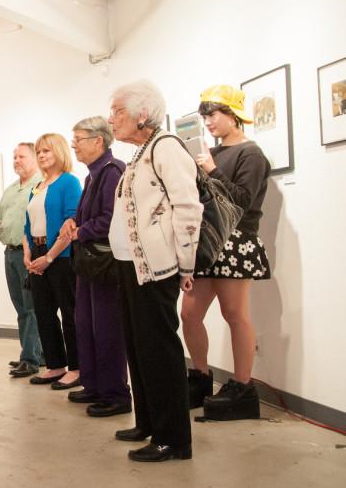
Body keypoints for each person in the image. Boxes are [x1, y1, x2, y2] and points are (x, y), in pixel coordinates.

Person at [107, 80, 202, 462]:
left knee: (159, 351)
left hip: (156, 268)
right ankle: (148, 421)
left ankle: (173, 438)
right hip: (132, 266)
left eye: (117, 111)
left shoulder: (165, 147)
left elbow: (188, 208)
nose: (111, 119)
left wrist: (186, 264)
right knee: (138, 347)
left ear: (141, 114)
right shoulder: (142, 151)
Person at [180, 85, 271, 419]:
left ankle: (242, 386)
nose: (208, 122)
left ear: (234, 115)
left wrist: (211, 171)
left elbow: (243, 200)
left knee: (235, 315)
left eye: (213, 114)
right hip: (208, 240)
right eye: (205, 116)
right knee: (189, 314)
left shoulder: (252, 154)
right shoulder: (212, 153)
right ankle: (200, 376)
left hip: (235, 241)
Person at [60, 118, 131, 416]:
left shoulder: (113, 172)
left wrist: (81, 232)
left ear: (98, 141)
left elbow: (113, 217)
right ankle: (94, 385)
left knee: (107, 328)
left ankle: (115, 394)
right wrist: (73, 222)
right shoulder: (92, 176)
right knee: (86, 325)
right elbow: (88, 215)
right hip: (90, 262)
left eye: (77, 138)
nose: (73, 144)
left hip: (105, 263)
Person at [0, 143, 44, 378]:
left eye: (22, 156)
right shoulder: (10, 190)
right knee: (21, 307)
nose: (17, 160)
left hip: (29, 254)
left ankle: (29, 359)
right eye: (14, 157)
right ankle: (35, 353)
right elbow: (3, 223)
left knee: (31, 307)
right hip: (10, 253)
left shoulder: (40, 186)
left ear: (35, 158)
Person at [24, 134, 82, 388]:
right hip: (37, 255)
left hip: (60, 256)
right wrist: (28, 254)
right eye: (38, 151)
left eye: (46, 150)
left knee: (70, 312)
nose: (41, 155)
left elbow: (71, 224)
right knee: (44, 313)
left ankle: (77, 367)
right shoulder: (38, 186)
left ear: (59, 152)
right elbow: (28, 225)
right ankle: (56, 365)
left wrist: (49, 257)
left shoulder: (69, 182)